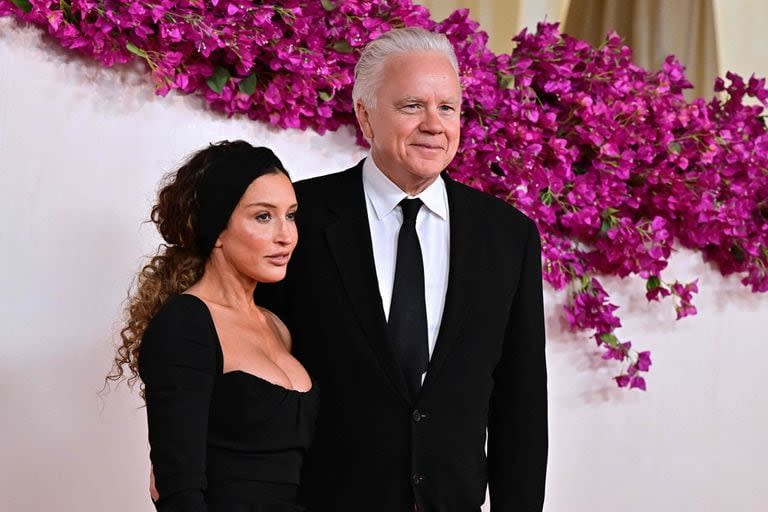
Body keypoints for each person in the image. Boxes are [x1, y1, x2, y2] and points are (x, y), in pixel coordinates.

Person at [255, 28, 548, 511]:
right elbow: (255, 374)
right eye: (412, 105)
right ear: (364, 115)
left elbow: (521, 405)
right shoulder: (299, 217)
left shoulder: (508, 236)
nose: (435, 124)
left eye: (448, 107)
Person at [108, 141, 318, 511]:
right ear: (217, 228)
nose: (286, 235)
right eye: (263, 216)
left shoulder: (276, 325)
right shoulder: (185, 324)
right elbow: (179, 492)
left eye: (291, 215)